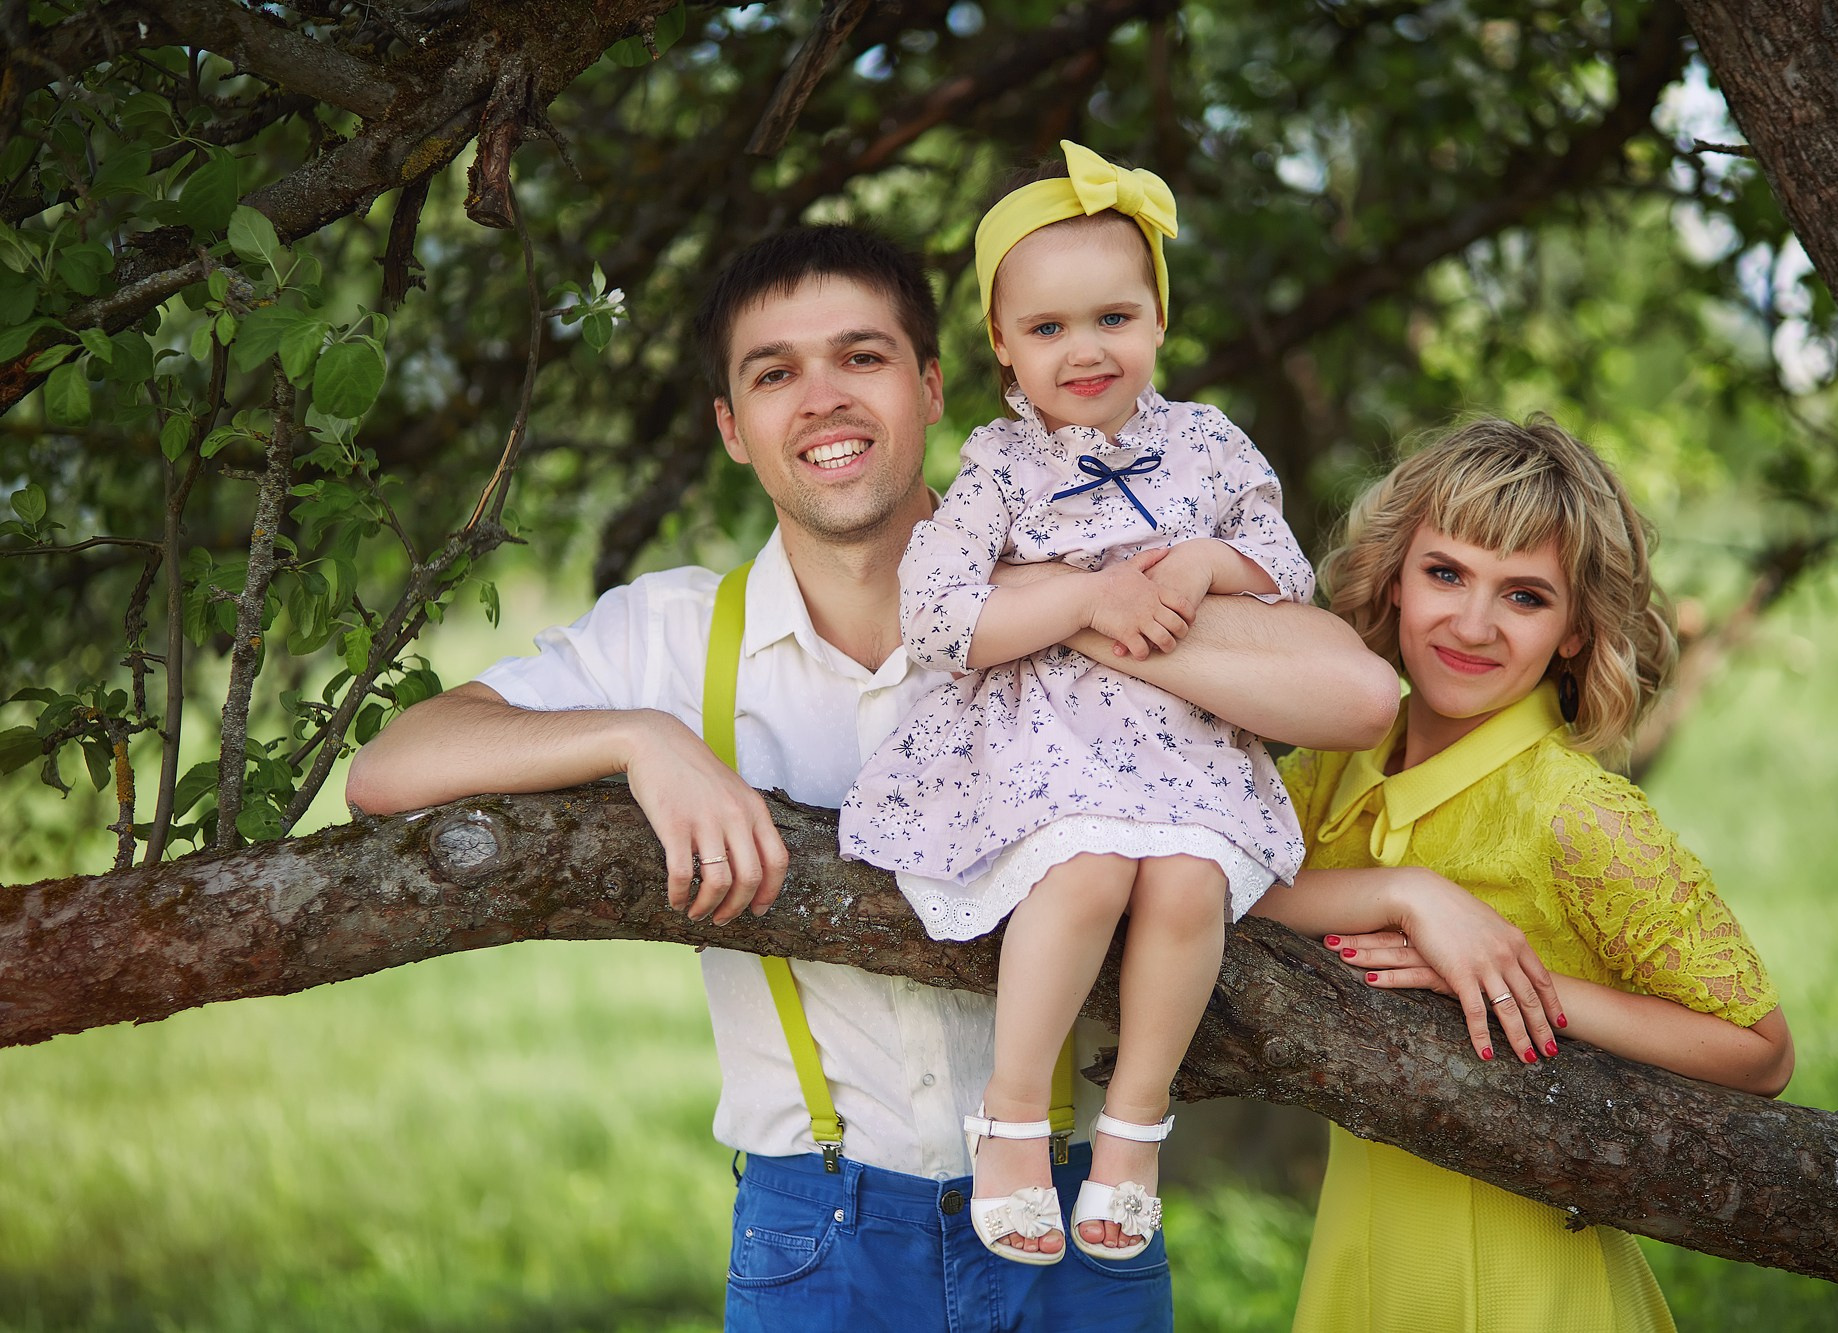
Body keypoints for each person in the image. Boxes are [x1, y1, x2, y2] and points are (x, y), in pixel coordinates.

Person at [344, 222, 1403, 1332]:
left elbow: (1352, 693)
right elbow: (391, 766)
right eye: (773, 372)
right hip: (817, 1235)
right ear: (732, 429)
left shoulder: (1078, 566)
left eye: (860, 356)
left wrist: (1078, 617)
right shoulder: (671, 639)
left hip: (1078, 1213)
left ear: (936, 384)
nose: (821, 399)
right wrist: (639, 740)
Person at [839, 141, 1369, 1270]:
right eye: (1046, 330)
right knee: (1085, 870)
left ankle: (1134, 1123)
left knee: (1182, 879)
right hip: (1046, 741)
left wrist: (1195, 569)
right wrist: (1084, 598)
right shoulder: (994, 465)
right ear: (999, 346)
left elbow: (1281, 565)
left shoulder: (1208, 441)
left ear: (1157, 324)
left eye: (1112, 318)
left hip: (1179, 748)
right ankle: (1014, 1116)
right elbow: (937, 615)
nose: (1083, 350)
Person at [1248, 416, 1796, 1332]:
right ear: (1394, 577)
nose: (1472, 623)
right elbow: (1209, 882)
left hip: (1535, 1286)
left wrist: (1532, 988)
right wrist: (1406, 892)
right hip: (1361, 1269)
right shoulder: (1332, 766)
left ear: (1577, 631)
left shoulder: (1578, 814)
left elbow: (1761, 1049)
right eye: (1447, 573)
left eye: (1526, 596)